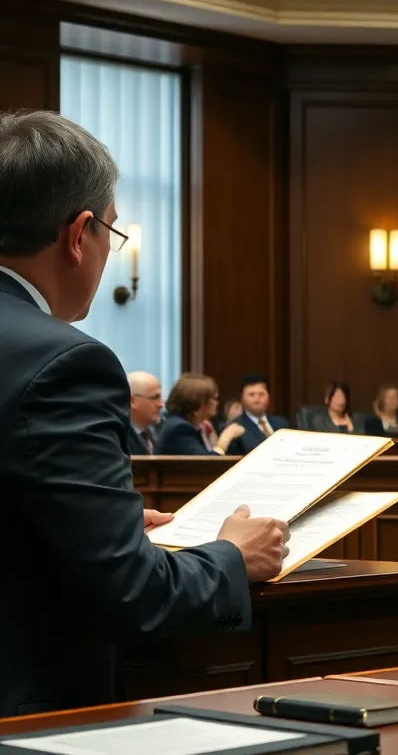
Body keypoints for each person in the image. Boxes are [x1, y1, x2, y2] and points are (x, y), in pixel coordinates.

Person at [0, 110, 289, 718]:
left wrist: (108, 526)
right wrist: (232, 555)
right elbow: (128, 594)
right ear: (80, 234)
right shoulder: (65, 364)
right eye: (111, 231)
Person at [156, 374, 248, 455]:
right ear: (199, 402)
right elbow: (205, 465)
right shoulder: (180, 428)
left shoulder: (200, 426)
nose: (217, 403)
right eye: (214, 399)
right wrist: (226, 438)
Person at [224, 374, 291, 456]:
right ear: (242, 398)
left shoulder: (282, 424)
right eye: (251, 394)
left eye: (261, 394)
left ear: (269, 397)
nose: (257, 399)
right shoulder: (235, 428)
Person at [126, 371, 163, 456]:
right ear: (132, 401)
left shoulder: (159, 430)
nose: (161, 404)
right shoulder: (119, 437)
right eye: (155, 397)